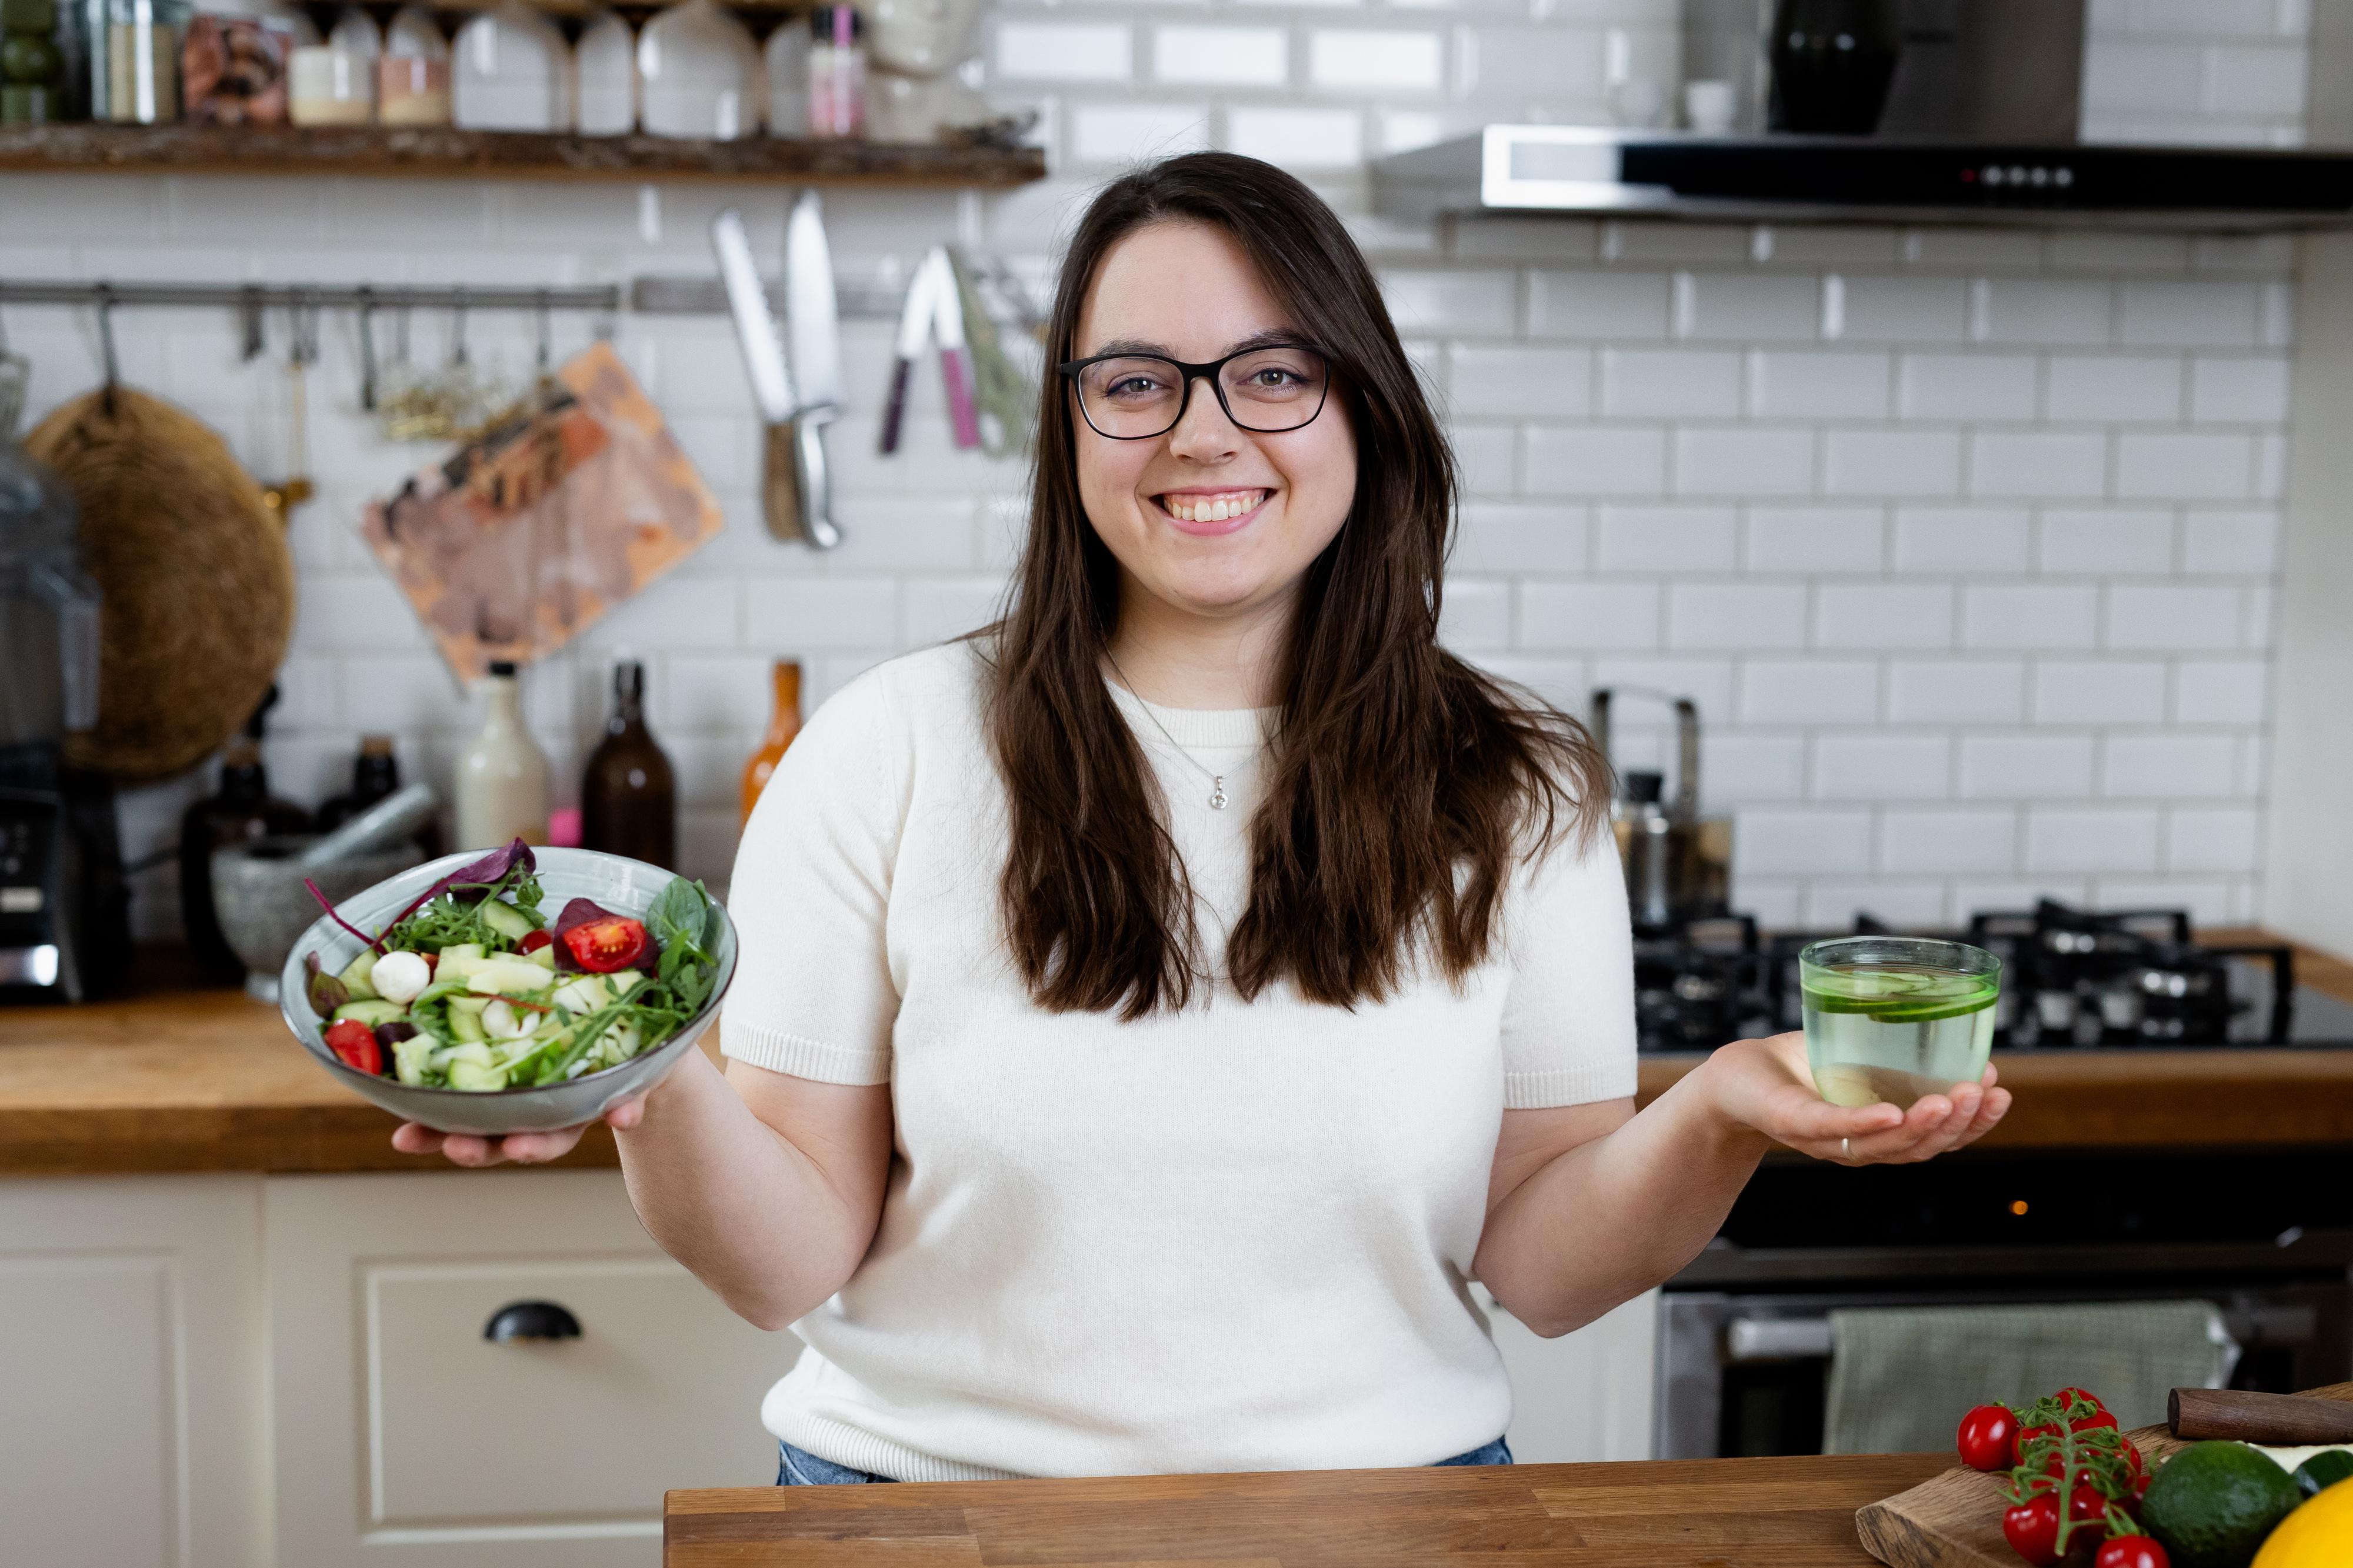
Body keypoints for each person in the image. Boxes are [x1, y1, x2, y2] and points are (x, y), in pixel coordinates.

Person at [395, 152, 2009, 1484]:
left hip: (1396, 1517)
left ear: (1362, 409)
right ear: (1072, 427)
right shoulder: (885, 749)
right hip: (927, 1519)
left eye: (1275, 373)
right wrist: (646, 1080)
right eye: (1137, 381)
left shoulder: (1520, 785)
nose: (1204, 429)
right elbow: (782, 1258)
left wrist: (1719, 1108)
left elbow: (1543, 1262)